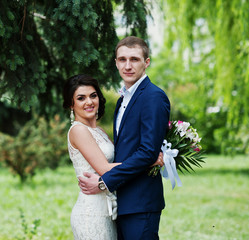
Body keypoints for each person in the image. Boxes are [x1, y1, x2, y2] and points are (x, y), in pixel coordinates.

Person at [78, 36, 170, 240]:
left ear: (146, 63)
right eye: (122, 59)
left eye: (134, 59)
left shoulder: (153, 97)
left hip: (141, 202)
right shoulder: (122, 101)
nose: (127, 66)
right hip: (121, 202)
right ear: (116, 62)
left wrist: (103, 182)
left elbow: (147, 152)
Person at [63, 74, 164, 240]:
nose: (89, 102)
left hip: (110, 210)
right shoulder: (78, 130)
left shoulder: (100, 132)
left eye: (93, 96)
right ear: (71, 104)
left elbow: (120, 161)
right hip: (92, 213)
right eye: (81, 98)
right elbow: (103, 168)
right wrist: (150, 160)